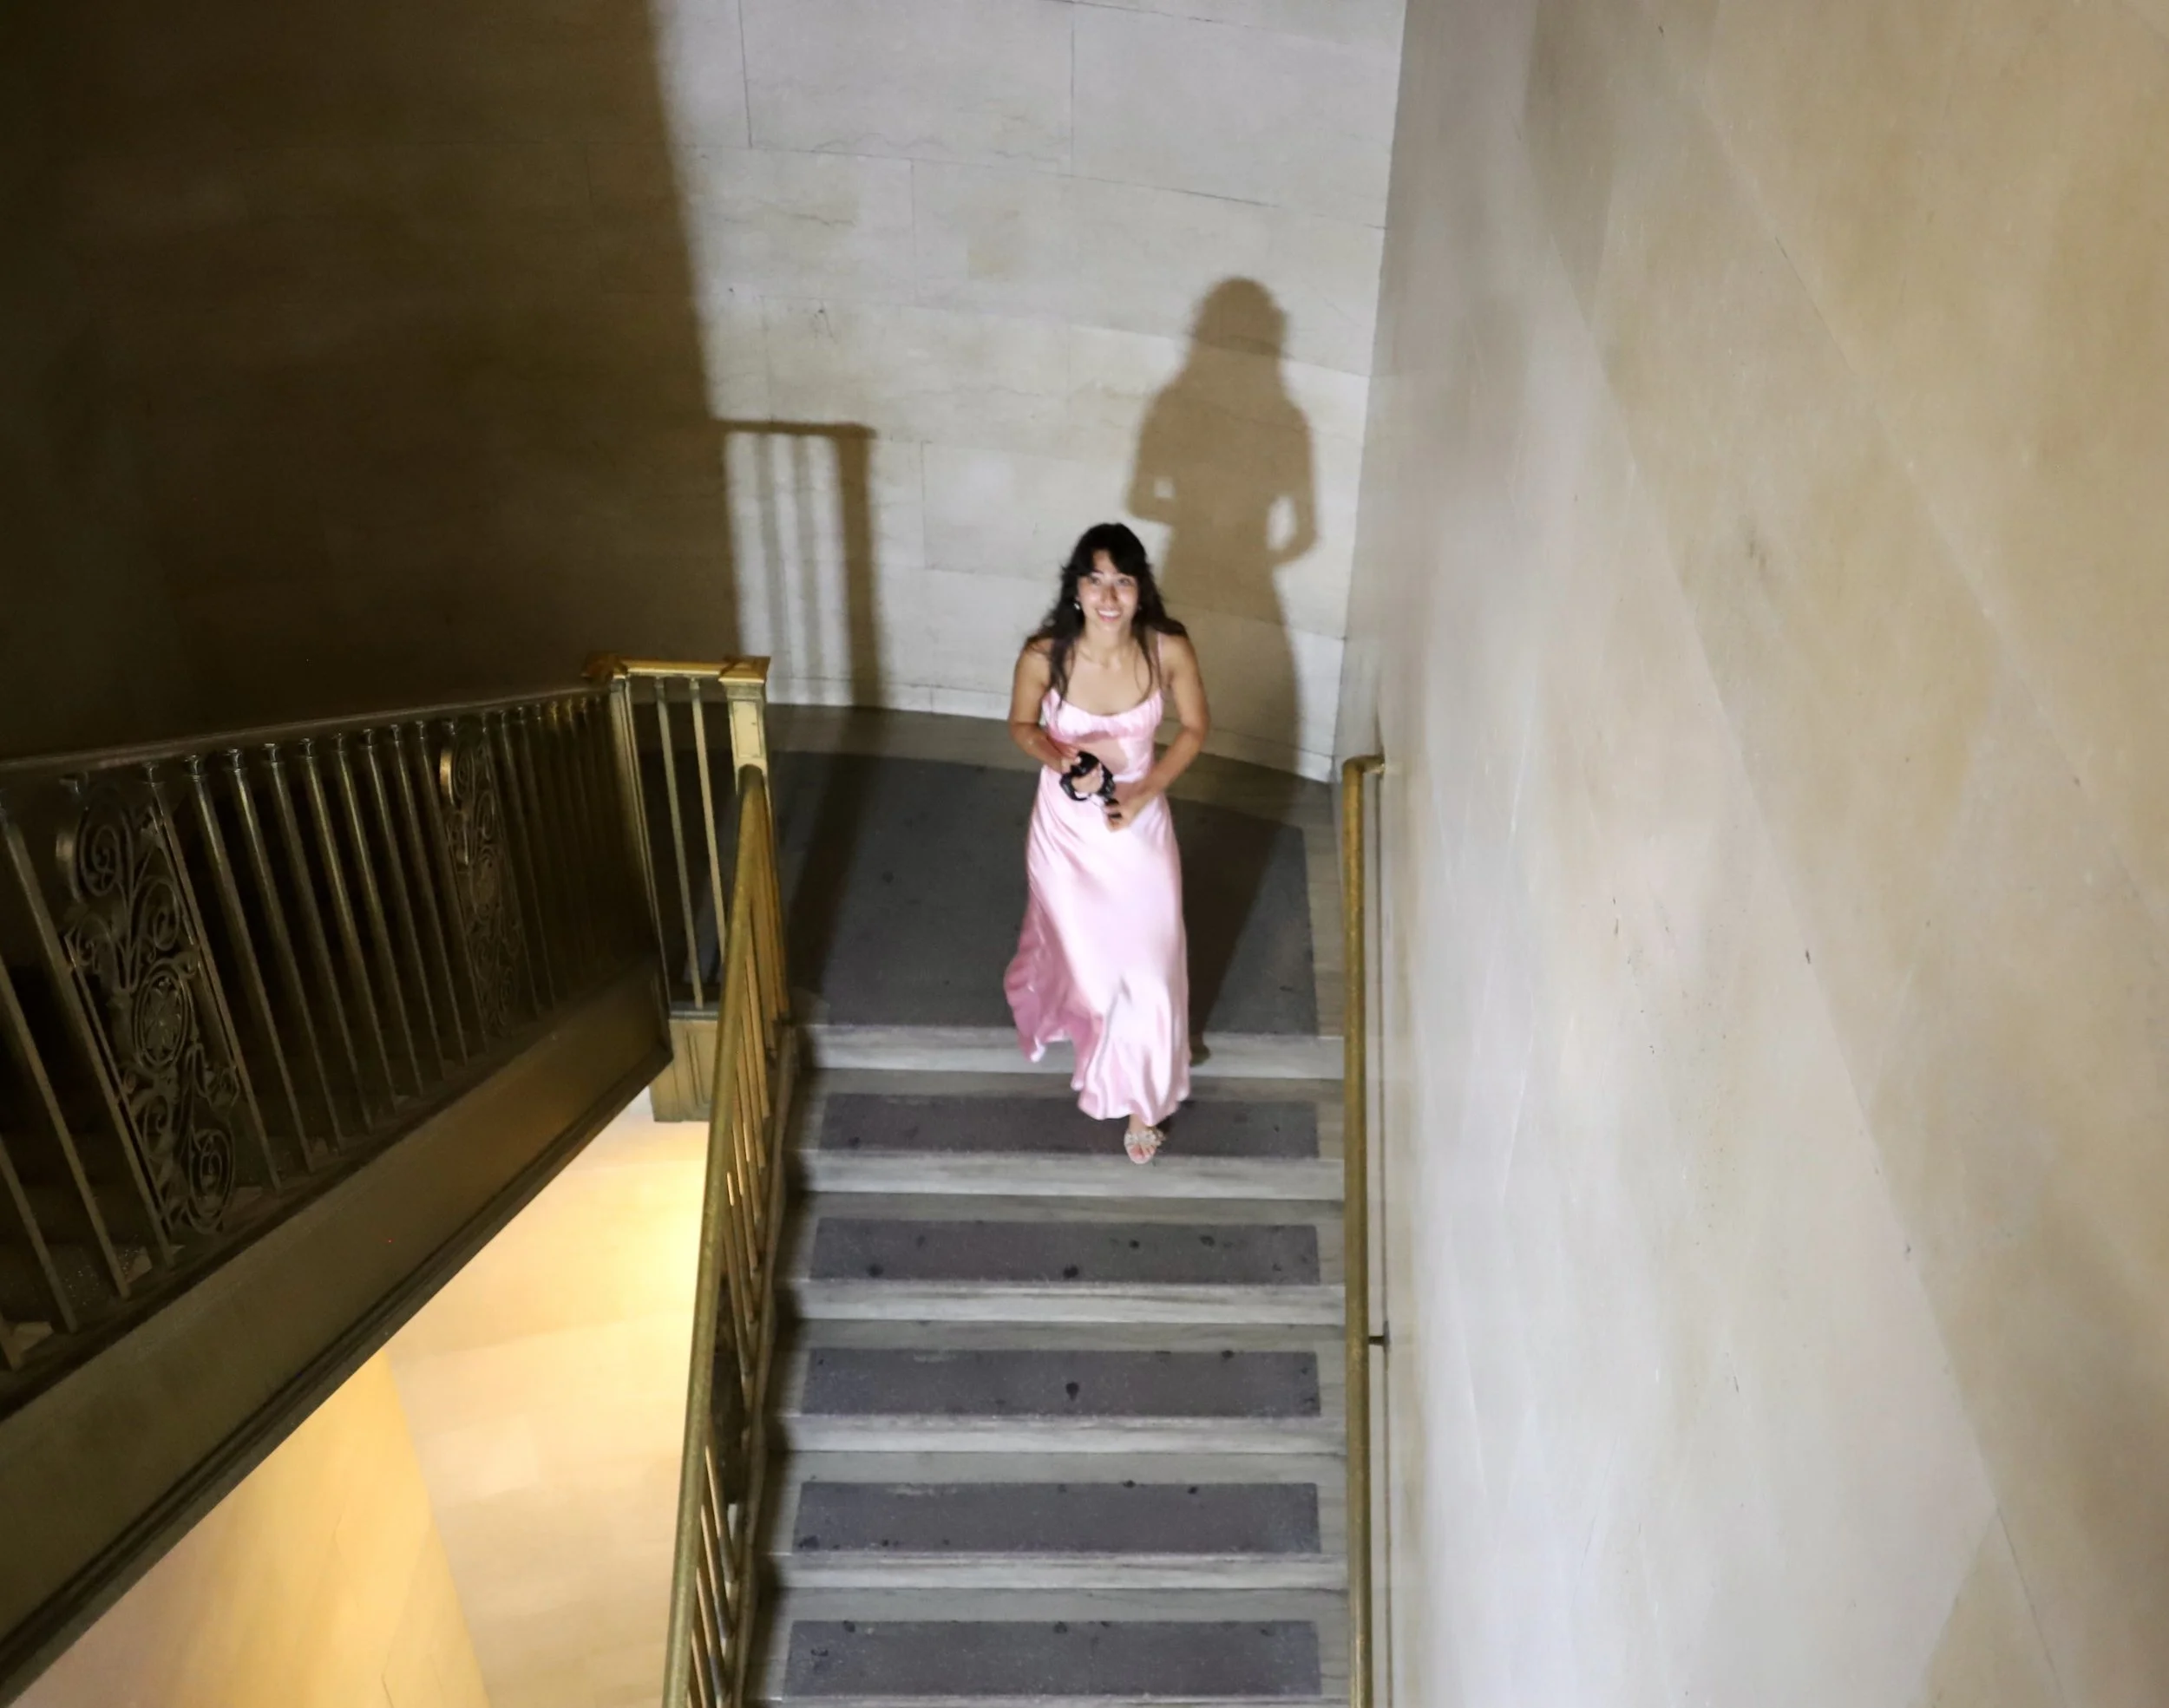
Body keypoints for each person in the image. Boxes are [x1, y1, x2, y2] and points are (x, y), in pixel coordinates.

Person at [1005, 522, 1210, 1164]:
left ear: (1140, 587)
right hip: (1066, 836)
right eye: (1096, 580)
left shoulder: (1168, 649)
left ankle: (1147, 1098)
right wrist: (1062, 759)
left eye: (1122, 580)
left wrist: (1146, 790)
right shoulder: (1044, 655)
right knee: (1097, 975)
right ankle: (1113, 1050)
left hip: (1139, 829)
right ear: (1076, 587)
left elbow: (1194, 729)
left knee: (1150, 968)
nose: (1109, 595)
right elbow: (1022, 725)